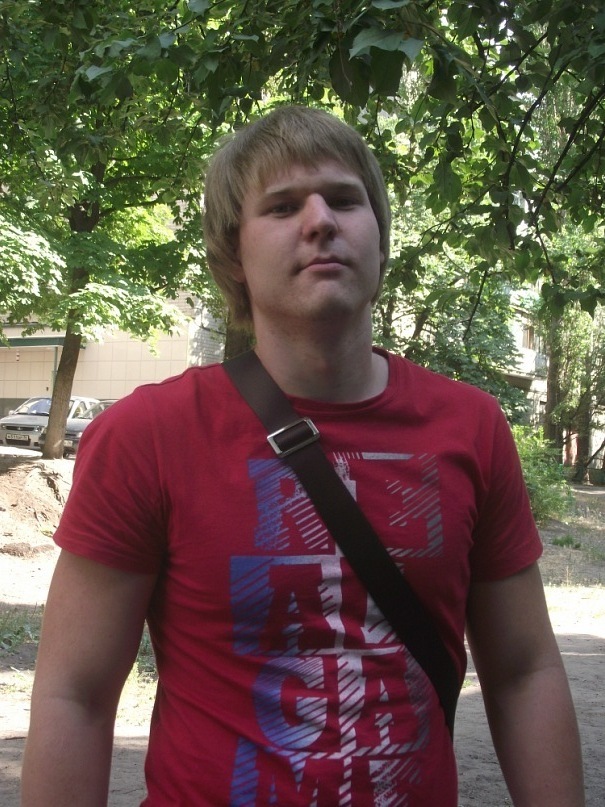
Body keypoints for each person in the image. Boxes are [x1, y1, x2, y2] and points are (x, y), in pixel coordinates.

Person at [21, 106, 584, 806]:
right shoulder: (148, 435)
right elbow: (74, 695)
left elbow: (524, 671)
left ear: (379, 236)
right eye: (283, 206)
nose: (320, 220)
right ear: (233, 254)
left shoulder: (470, 426)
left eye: (344, 199)